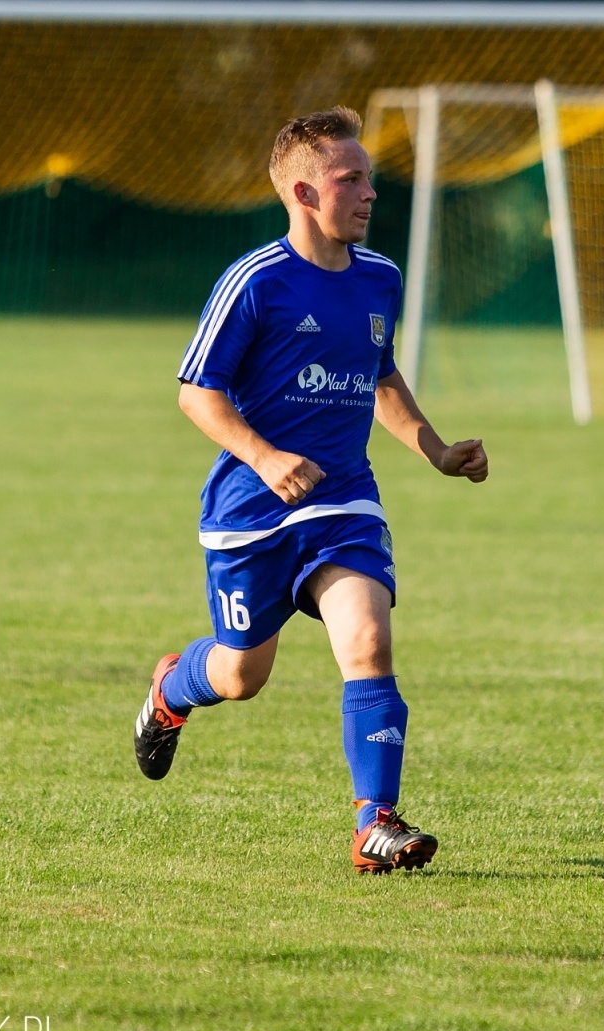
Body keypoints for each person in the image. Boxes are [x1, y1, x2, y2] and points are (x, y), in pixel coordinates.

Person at [133, 107, 488, 875]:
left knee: (367, 639)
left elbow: (380, 375)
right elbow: (198, 393)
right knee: (240, 674)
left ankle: (375, 823)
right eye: (349, 179)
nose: (368, 192)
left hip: (343, 500)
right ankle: (170, 690)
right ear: (302, 191)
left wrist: (434, 448)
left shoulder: (380, 278)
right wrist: (263, 458)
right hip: (251, 512)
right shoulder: (255, 281)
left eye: (369, 177)